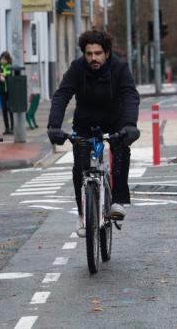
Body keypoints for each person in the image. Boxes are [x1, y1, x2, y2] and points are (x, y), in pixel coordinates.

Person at [47, 30, 140, 237]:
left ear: (106, 52)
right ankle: (82, 213)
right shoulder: (77, 68)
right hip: (85, 122)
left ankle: (117, 200)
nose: (93, 58)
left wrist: (130, 125)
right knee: (79, 166)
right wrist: (53, 125)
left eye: (98, 53)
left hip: (115, 119)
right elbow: (62, 95)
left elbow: (130, 95)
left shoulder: (119, 68)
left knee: (121, 150)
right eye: (89, 54)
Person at [0, 52, 14, 135]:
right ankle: (7, 128)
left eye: (4, 59)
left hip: (11, 91)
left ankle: (13, 128)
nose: (2, 61)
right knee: (4, 108)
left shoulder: (10, 67)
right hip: (2, 91)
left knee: (10, 108)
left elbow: (11, 75)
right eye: (2, 59)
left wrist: (4, 75)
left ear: (8, 60)